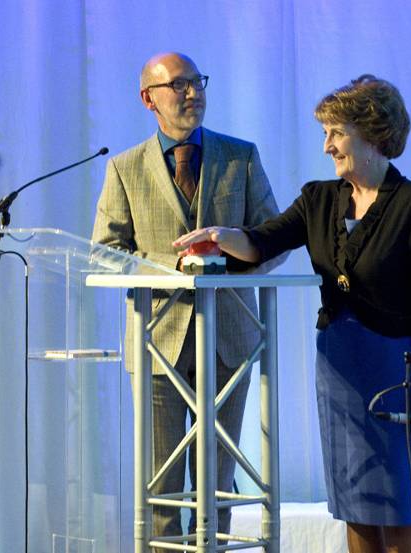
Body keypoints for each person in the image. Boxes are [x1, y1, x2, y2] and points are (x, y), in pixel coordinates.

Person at [174, 75, 411, 553]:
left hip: (399, 373)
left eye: (336, 132)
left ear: (371, 133)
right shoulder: (318, 199)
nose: (327, 146)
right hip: (339, 372)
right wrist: (222, 236)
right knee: (356, 504)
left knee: (401, 508)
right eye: (325, 134)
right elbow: (263, 240)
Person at [91, 52, 286, 544]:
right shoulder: (124, 168)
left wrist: (226, 257)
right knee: (160, 488)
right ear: (148, 99)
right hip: (158, 344)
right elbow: (105, 254)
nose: (192, 92)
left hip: (231, 344)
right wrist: (170, 265)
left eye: (197, 81)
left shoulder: (240, 156)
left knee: (215, 491)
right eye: (178, 85)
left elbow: (272, 239)